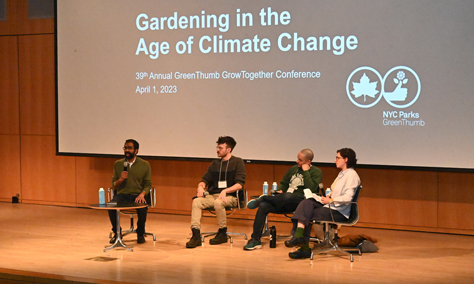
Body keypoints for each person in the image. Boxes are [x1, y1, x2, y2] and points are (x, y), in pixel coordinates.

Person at [286, 148, 360, 259]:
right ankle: (299, 239)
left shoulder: (352, 176)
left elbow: (348, 197)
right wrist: (328, 196)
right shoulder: (342, 174)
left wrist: (330, 200)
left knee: (307, 213)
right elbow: (335, 191)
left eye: (337, 158)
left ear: (346, 159)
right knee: (306, 203)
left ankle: (302, 244)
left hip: (338, 212)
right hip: (331, 206)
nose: (335, 160)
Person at [243, 149, 322, 251]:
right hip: (284, 200)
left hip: (300, 202)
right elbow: (284, 183)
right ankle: (255, 239)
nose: (297, 161)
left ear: (308, 162)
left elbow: (311, 188)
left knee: (288, 196)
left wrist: (306, 172)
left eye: (300, 160)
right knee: (263, 206)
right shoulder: (293, 169)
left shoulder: (316, 172)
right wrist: (281, 190)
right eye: (297, 158)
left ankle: (263, 198)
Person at [186, 136, 246, 248]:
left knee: (218, 202)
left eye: (220, 148)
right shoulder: (215, 164)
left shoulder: (237, 162)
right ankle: (195, 234)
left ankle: (222, 231)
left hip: (230, 196)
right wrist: (200, 187)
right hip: (212, 195)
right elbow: (204, 180)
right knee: (197, 202)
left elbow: (239, 184)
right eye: (217, 147)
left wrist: (225, 191)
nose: (217, 150)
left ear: (229, 150)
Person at [109, 139, 152, 244]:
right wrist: (121, 179)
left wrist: (142, 194)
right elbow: (114, 184)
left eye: (130, 148)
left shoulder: (144, 164)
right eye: (125, 148)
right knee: (111, 206)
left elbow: (148, 185)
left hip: (138, 194)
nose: (127, 150)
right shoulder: (118, 164)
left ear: (136, 150)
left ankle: (140, 233)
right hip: (123, 195)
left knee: (142, 207)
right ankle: (117, 232)